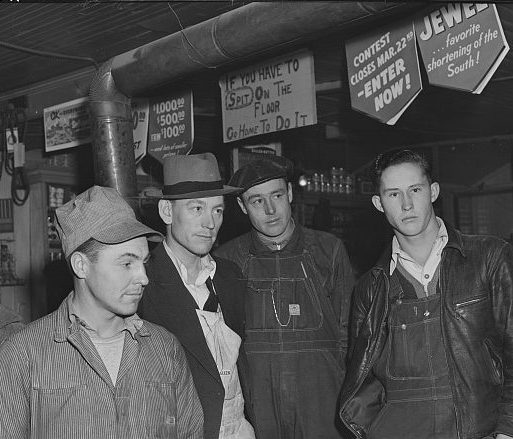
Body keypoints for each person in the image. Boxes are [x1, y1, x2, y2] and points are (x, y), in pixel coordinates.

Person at [0, 185, 203, 438]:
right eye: (127, 263)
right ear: (81, 265)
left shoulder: (165, 348)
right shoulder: (22, 354)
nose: (143, 278)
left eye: (144, 262)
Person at [339, 149, 513, 439]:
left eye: (415, 190)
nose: (406, 204)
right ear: (378, 203)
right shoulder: (370, 287)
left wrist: (507, 431)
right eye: (393, 194)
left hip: (476, 430)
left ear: (433, 191)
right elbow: (361, 375)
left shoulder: (489, 258)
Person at [215, 156, 355, 439]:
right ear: (242, 206)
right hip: (259, 407)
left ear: (290, 193)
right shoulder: (227, 260)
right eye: (256, 201)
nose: (270, 209)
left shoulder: (329, 250)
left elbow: (351, 335)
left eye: (277, 195)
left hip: (324, 404)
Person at [139, 153, 256, 439]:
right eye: (196, 209)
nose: (210, 223)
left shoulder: (230, 276)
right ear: (167, 212)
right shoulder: (141, 284)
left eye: (218, 210)